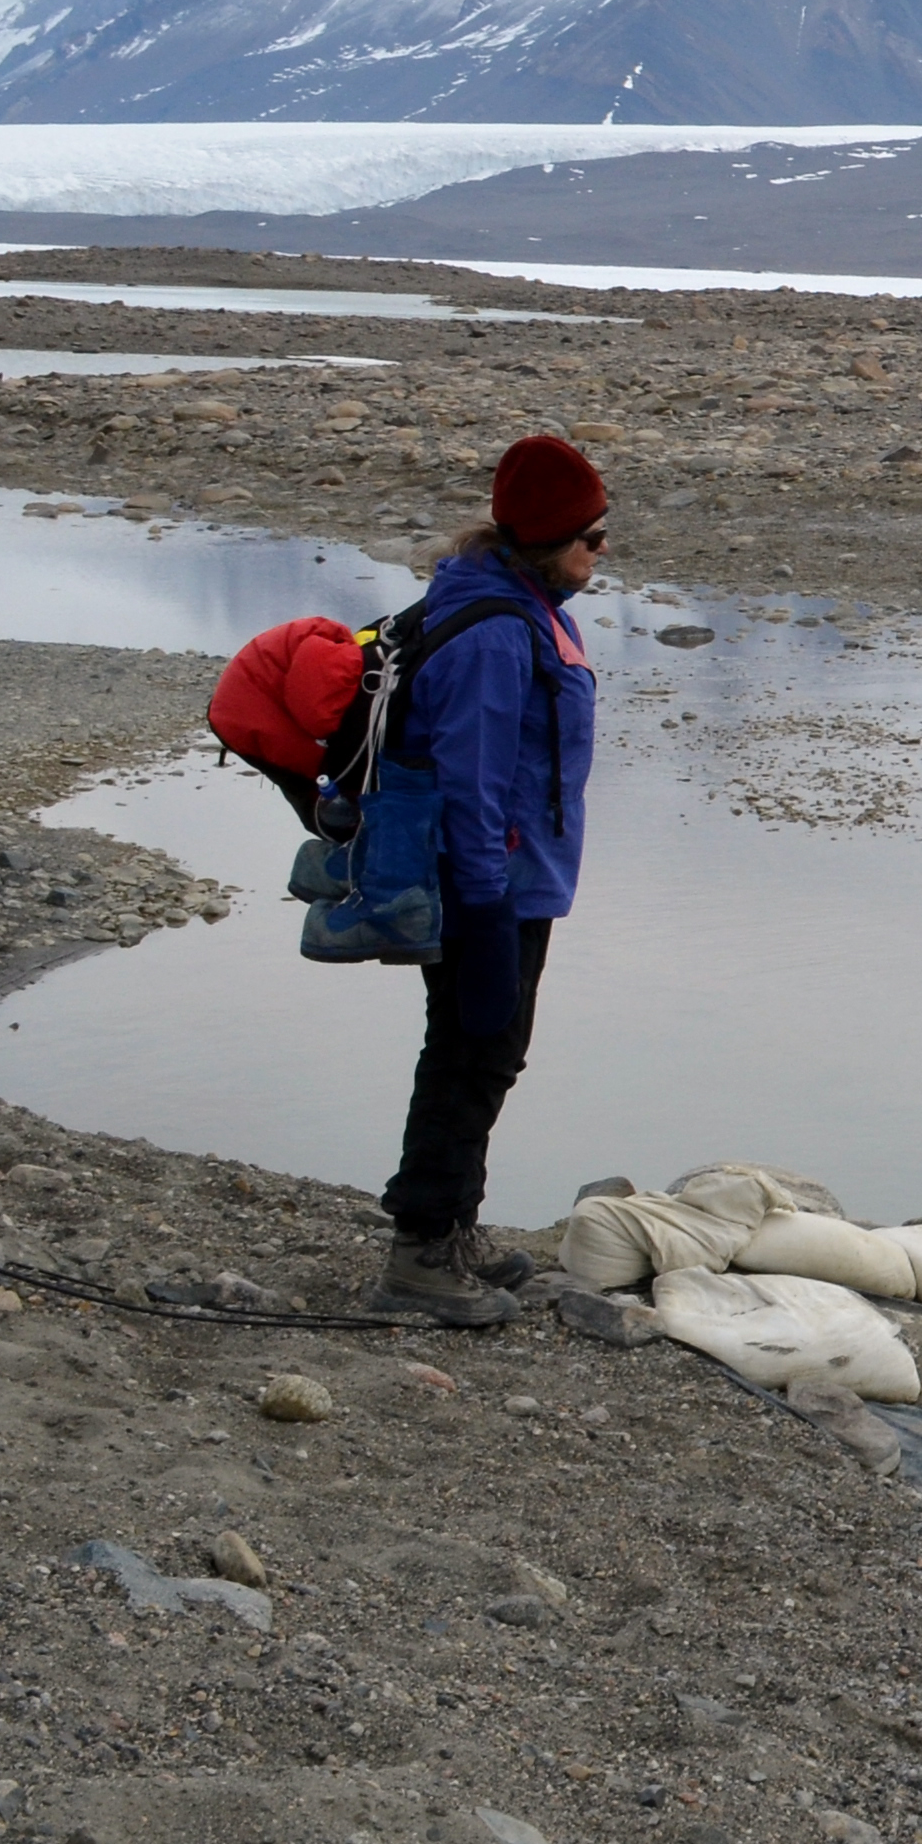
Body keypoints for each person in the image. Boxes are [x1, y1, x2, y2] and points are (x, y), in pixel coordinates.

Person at [374, 432, 605, 1325]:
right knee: (470, 1057)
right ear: (548, 541)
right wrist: (479, 915)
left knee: (490, 1055)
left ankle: (454, 1225)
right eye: (591, 535)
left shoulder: (529, 605)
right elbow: (473, 782)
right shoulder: (496, 635)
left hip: (518, 880)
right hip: (490, 888)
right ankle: (420, 1253)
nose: (602, 550)